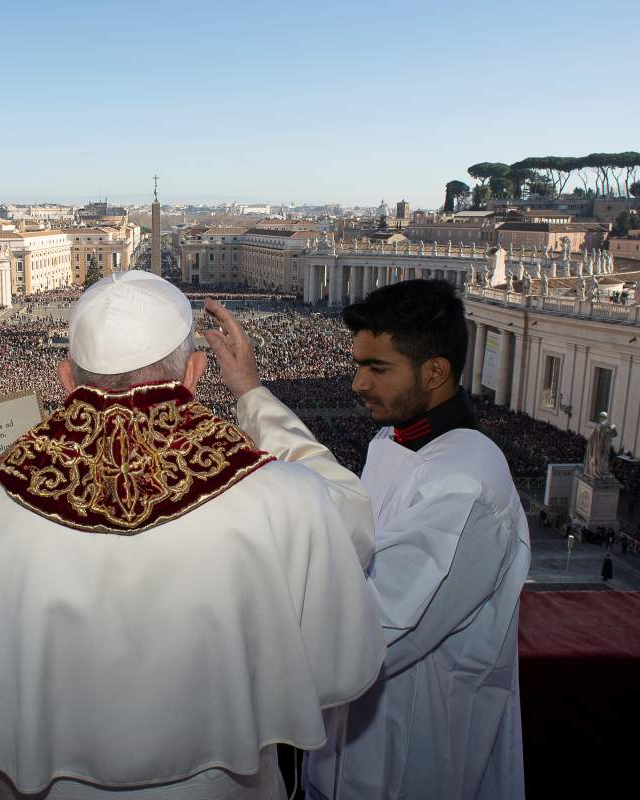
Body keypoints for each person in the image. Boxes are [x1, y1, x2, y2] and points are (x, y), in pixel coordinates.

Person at [0, 271, 385, 799]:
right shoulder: (286, 499)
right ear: (196, 372)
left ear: (66, 379)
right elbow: (343, 637)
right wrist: (251, 393)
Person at [204, 279, 530, 800]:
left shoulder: (468, 486)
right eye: (359, 364)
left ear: (436, 371)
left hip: (417, 771)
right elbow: (339, 527)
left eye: (377, 369)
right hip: (341, 763)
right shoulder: (391, 442)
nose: (357, 383)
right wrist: (249, 391)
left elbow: (368, 633)